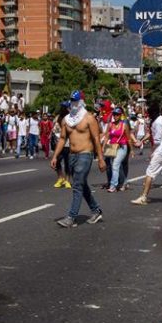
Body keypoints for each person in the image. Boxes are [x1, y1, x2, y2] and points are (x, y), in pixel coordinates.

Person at [51, 90, 105, 227]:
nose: (74, 104)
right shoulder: (66, 120)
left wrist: (100, 158)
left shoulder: (89, 118)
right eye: (72, 101)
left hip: (85, 154)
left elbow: (96, 138)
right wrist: (55, 156)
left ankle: (71, 217)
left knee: (76, 185)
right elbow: (62, 139)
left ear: (81, 101)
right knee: (81, 184)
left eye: (76, 101)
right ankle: (96, 210)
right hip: (72, 155)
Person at [103, 107, 130, 193]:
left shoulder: (124, 125)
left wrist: (132, 150)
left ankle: (113, 185)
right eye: (114, 114)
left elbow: (128, 138)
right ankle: (124, 182)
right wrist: (103, 146)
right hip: (112, 147)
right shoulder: (110, 124)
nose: (115, 116)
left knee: (115, 164)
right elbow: (107, 136)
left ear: (120, 115)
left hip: (122, 147)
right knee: (115, 166)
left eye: (117, 114)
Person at [52, 102, 72, 189]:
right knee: (57, 161)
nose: (64, 109)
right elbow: (54, 128)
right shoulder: (57, 118)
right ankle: (60, 178)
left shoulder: (70, 118)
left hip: (67, 144)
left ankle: (67, 180)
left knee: (68, 163)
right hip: (58, 142)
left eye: (65, 107)